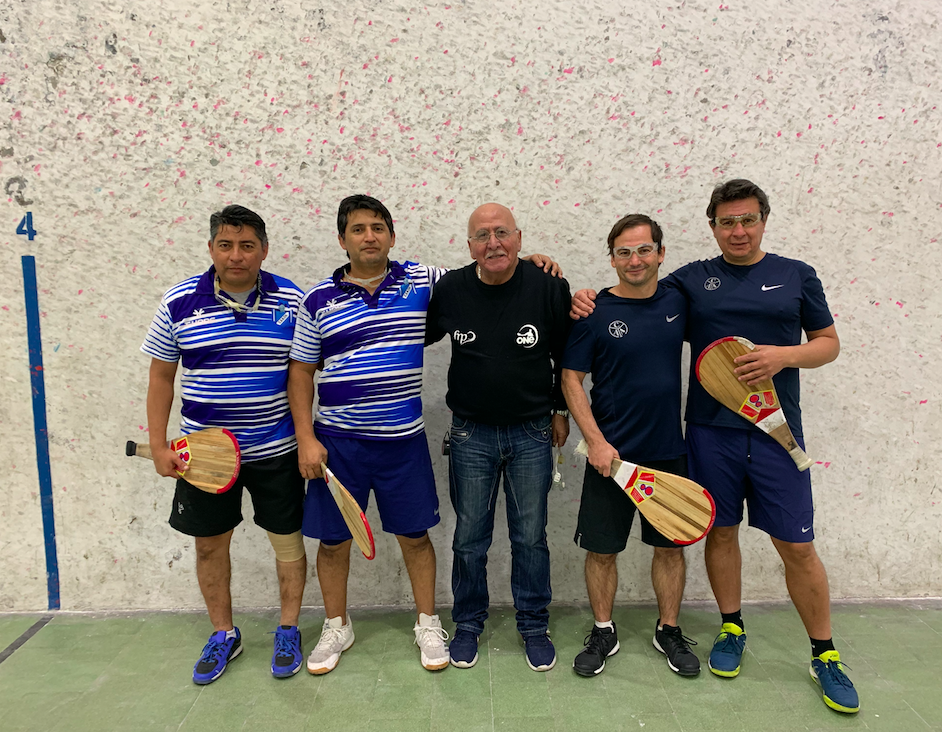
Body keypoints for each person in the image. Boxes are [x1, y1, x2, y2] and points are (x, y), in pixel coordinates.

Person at [571, 180, 858, 713]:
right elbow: (635, 288)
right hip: (708, 434)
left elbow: (828, 345)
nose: (738, 231)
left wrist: (783, 356)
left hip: (777, 435)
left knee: (798, 547)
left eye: (748, 219)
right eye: (727, 222)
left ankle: (825, 654)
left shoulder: (797, 275)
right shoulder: (690, 281)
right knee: (720, 534)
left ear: (764, 220)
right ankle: (731, 628)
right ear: (713, 227)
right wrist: (583, 295)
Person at [289, 195, 560, 675]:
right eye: (358, 229)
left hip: (406, 440)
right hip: (341, 442)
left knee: (426, 537)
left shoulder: (424, 280)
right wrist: (306, 438)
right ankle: (339, 625)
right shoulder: (318, 300)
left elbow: (490, 268)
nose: (369, 236)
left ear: (392, 236)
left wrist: (534, 261)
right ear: (342, 238)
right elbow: (300, 371)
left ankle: (437, 622)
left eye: (378, 227)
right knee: (335, 541)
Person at [141, 205, 307, 684]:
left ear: (264, 250)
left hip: (277, 450)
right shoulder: (178, 302)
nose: (236, 256)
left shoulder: (292, 300)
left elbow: (303, 374)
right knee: (210, 548)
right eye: (226, 245)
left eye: (247, 245)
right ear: (211, 248)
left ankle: (288, 629)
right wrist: (159, 445)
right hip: (204, 458)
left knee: (288, 546)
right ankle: (223, 634)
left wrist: (306, 439)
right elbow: (161, 378)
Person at [426, 203, 572, 672]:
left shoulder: (548, 285)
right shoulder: (450, 289)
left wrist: (561, 410)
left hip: (533, 431)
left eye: (502, 233)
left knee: (530, 537)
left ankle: (533, 624)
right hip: (470, 433)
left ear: (519, 238)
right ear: (469, 246)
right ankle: (468, 623)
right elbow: (414, 334)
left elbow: (565, 354)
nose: (494, 243)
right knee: (469, 538)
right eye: (483, 236)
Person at [561, 214, 699, 678]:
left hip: (669, 452)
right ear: (612, 259)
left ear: (661, 253)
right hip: (610, 458)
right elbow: (571, 379)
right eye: (624, 252)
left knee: (670, 549)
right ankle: (604, 630)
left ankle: (668, 630)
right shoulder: (593, 311)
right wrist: (596, 442)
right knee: (602, 551)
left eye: (643, 250)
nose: (634, 260)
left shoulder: (679, 300)